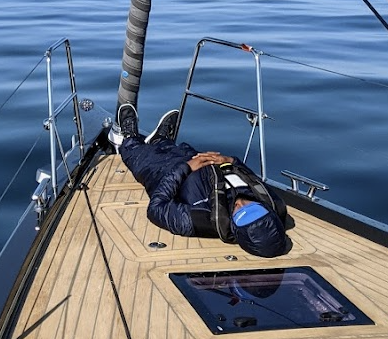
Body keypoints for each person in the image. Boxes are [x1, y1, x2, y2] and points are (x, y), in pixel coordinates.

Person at [114, 104, 287, 258]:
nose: (240, 204)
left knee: (140, 157)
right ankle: (160, 140)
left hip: (166, 174)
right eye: (253, 207)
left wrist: (186, 168)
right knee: (177, 149)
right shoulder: (274, 204)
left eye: (239, 214)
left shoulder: (198, 220)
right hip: (201, 163)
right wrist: (231, 161)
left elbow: (156, 208)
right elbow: (252, 177)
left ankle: (129, 137)